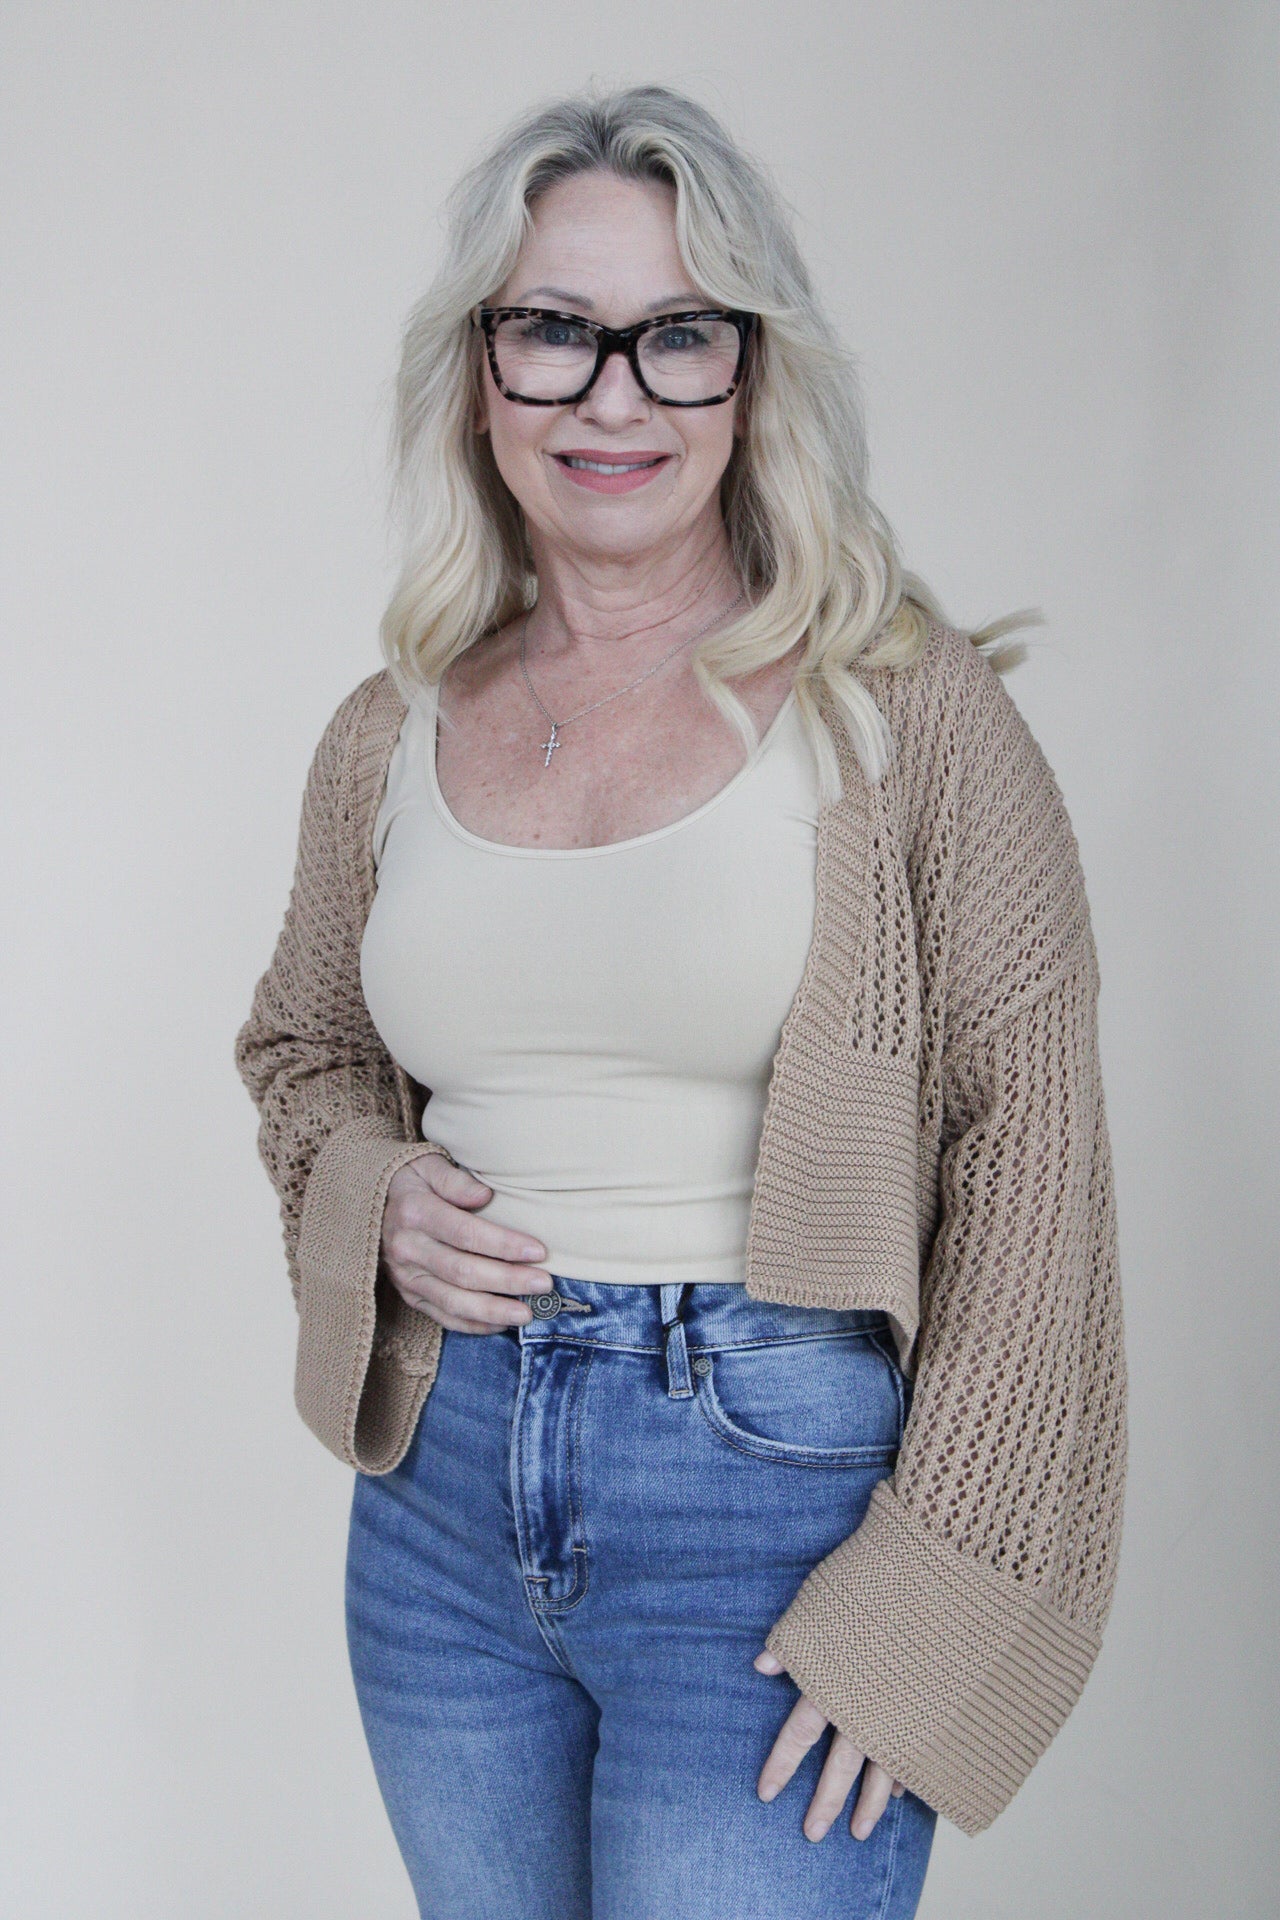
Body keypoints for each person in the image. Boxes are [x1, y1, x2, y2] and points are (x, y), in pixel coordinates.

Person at [235, 84, 1128, 1920]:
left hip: (772, 1508)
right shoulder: (385, 731)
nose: (614, 397)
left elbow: (1032, 1158)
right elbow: (304, 1053)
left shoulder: (903, 711)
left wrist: (944, 1581)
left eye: (678, 336)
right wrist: (370, 1200)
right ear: (480, 374)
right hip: (439, 1504)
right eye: (554, 331)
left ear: (751, 372)